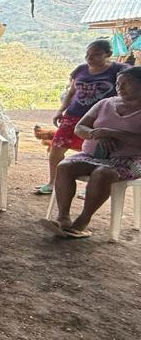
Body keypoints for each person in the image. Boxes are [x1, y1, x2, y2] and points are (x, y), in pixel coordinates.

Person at [43, 67, 141, 238]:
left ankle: (82, 222)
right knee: (64, 167)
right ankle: (63, 219)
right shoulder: (105, 103)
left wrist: (113, 133)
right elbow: (80, 127)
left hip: (130, 159)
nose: (121, 88)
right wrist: (96, 134)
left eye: (127, 83)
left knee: (103, 173)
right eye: (118, 84)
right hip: (92, 155)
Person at [35, 40, 130, 195]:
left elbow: (129, 87)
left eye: (96, 55)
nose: (89, 58)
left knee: (97, 152)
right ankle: (53, 183)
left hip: (100, 118)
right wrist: (60, 110)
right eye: (87, 54)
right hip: (73, 115)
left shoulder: (119, 70)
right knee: (56, 147)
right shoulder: (81, 69)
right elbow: (71, 93)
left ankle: (92, 187)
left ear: (108, 54)